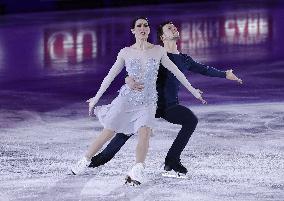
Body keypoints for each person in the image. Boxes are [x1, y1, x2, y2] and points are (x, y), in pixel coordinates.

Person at [86, 21, 242, 178]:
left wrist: (225, 74)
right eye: (169, 28)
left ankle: (171, 161)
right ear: (162, 37)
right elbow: (136, 68)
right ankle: (98, 159)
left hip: (169, 106)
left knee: (190, 120)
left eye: (174, 27)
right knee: (125, 131)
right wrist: (128, 79)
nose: (174, 28)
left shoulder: (184, 59)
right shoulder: (157, 53)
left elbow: (204, 69)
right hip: (147, 104)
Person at [71, 18, 205, 185]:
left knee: (145, 134)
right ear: (133, 31)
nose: (143, 28)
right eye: (139, 26)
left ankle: (138, 169)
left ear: (149, 30)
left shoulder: (158, 51)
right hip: (127, 100)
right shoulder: (125, 52)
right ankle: (84, 160)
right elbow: (110, 77)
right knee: (108, 133)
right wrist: (96, 98)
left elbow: (177, 72)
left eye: (146, 25)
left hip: (148, 101)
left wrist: (193, 91)